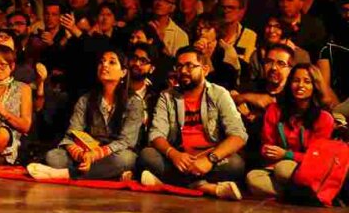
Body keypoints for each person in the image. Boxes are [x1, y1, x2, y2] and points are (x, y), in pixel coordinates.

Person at [139, 46, 248, 201]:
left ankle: (168, 183)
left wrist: (210, 159)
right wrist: (174, 154)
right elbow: (156, 134)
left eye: (190, 65)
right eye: (180, 66)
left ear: (205, 69)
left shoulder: (219, 93)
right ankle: (203, 186)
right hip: (179, 159)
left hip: (209, 157)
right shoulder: (167, 96)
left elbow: (238, 135)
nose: (183, 71)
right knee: (147, 155)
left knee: (236, 165)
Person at [27, 49, 143, 181]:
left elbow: (127, 141)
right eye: (102, 62)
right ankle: (107, 175)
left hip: (112, 154)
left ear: (123, 72)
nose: (104, 65)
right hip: (86, 153)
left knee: (126, 159)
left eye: (111, 62)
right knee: (54, 156)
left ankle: (67, 174)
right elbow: (71, 135)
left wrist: (95, 155)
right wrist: (82, 155)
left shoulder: (133, 102)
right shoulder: (86, 99)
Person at [246, 64, 336, 199]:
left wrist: (286, 155)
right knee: (253, 178)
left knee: (283, 169)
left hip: (307, 168)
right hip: (276, 167)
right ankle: (302, 196)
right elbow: (267, 143)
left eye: (307, 81)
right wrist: (268, 151)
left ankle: (305, 193)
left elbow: (316, 158)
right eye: (296, 80)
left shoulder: (324, 118)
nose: (300, 85)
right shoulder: (275, 110)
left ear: (315, 85)